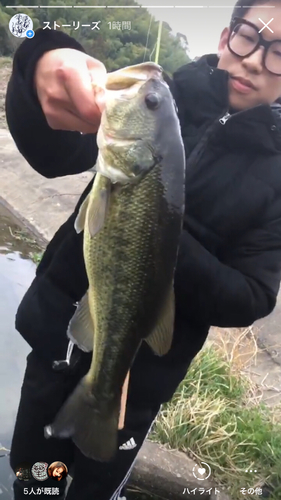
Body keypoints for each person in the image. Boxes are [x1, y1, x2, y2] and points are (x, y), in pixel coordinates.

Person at [5, 0, 281, 498]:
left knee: (91, 489)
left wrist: (163, 238)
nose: (257, 60)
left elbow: (253, 296)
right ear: (225, 37)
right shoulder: (159, 97)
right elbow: (53, 151)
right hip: (54, 348)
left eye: (279, 51)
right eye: (249, 36)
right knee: (33, 477)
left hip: (137, 387)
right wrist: (41, 56)